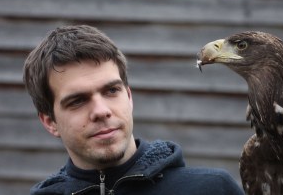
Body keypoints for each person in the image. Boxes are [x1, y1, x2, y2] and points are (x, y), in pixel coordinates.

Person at [23, 25, 244, 195]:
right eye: (77, 101)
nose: (101, 111)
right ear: (49, 121)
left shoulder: (211, 189)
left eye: (111, 91)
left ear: (129, 96)